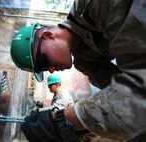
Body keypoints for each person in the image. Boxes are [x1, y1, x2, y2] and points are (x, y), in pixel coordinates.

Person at [10, 0, 146, 141]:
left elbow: (140, 92)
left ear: (48, 36)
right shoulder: (85, 62)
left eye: (44, 61)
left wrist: (63, 119)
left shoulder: (92, 5)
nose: (50, 70)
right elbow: (122, 99)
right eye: (43, 69)